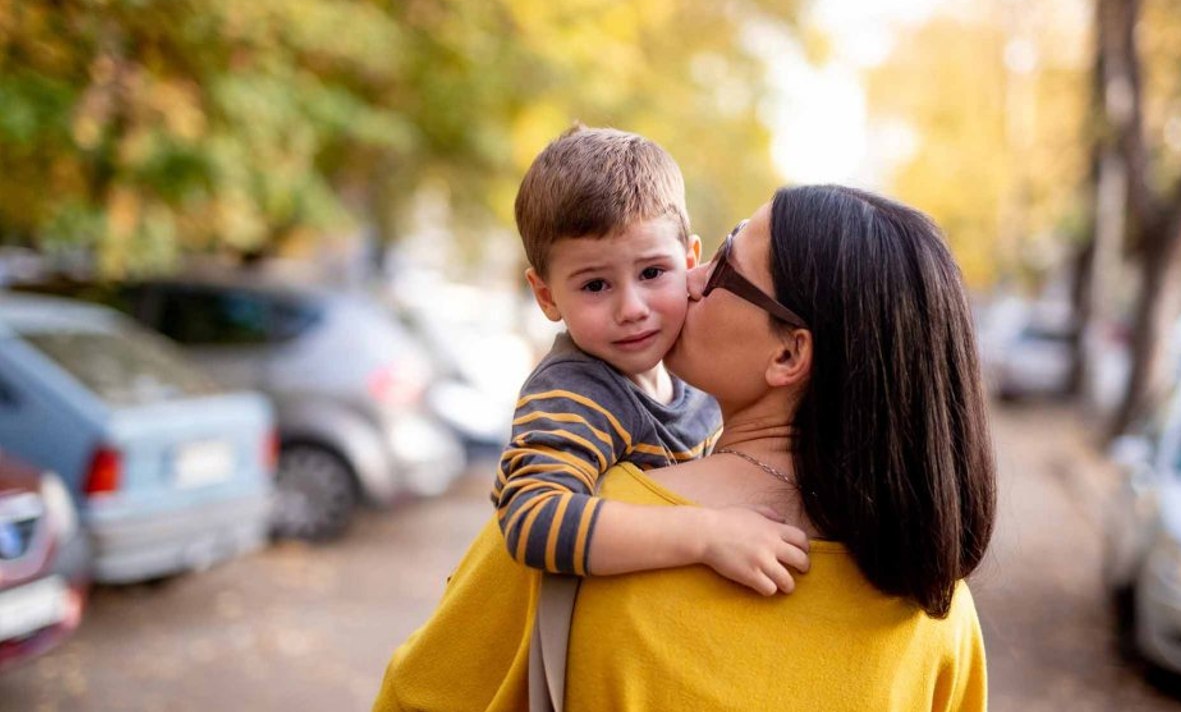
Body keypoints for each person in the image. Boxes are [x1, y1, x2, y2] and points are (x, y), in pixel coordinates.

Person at [374, 184, 996, 711]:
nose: (688, 279)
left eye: (725, 265)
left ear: (788, 353)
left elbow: (414, 698)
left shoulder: (578, 526)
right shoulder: (937, 608)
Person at [493, 124, 809, 591]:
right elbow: (533, 518)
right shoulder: (575, 391)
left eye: (652, 272)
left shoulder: (699, 382)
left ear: (690, 260)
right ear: (546, 296)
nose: (632, 309)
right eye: (595, 285)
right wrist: (706, 534)